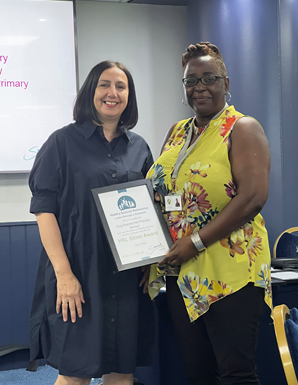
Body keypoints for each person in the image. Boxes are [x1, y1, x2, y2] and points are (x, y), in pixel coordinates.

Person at [146, 42, 272, 385]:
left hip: (230, 270)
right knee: (198, 372)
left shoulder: (242, 128)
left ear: (226, 83)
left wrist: (196, 242)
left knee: (236, 374)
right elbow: (162, 195)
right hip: (180, 272)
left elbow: (252, 198)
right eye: (190, 81)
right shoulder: (176, 133)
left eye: (209, 78)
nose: (199, 87)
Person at [29, 61, 155, 385]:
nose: (112, 93)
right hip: (79, 275)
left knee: (121, 373)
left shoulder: (140, 148)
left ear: (129, 95)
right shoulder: (61, 143)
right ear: (90, 91)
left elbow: (150, 209)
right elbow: (45, 211)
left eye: (121, 86)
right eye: (104, 85)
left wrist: (149, 260)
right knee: (75, 374)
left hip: (126, 279)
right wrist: (64, 275)